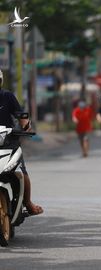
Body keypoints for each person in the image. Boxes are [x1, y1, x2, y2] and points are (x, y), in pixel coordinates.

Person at [0, 69, 43, 216]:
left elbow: (21, 116)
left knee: (21, 173)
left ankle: (28, 203)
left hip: (8, 141)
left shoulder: (7, 96)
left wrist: (25, 126)